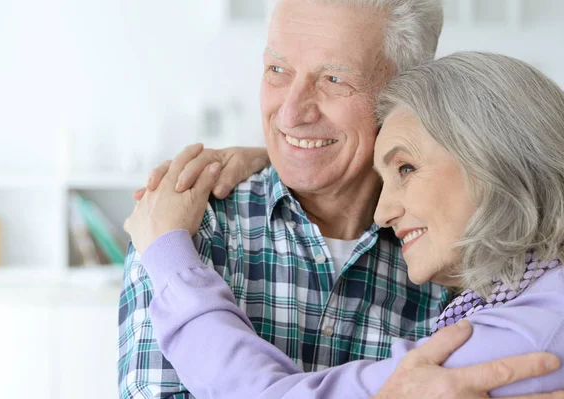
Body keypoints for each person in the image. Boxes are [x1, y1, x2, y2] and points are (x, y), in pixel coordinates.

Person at [117, 0, 561, 397]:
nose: (291, 113)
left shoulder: (454, 255)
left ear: (405, 91)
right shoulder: (188, 224)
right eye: (277, 70)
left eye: (333, 79)